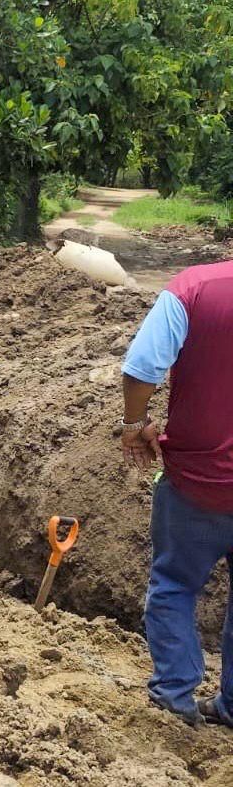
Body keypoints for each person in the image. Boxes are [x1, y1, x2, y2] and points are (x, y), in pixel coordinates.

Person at [121, 260, 233, 727]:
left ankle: (175, 697)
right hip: (198, 480)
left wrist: (135, 423)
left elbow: (143, 365)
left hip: (198, 482)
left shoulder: (195, 288)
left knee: (174, 585)